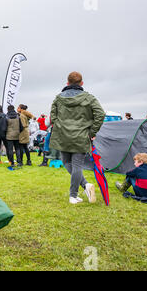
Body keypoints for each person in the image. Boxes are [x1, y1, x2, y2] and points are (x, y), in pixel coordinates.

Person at [50, 72, 105, 204]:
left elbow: (53, 117)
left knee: (70, 164)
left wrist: (61, 127)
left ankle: (74, 194)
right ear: (81, 83)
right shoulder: (89, 98)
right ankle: (83, 187)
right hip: (80, 136)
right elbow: (100, 114)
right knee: (74, 165)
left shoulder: (58, 98)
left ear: (67, 83)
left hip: (63, 136)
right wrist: (92, 132)